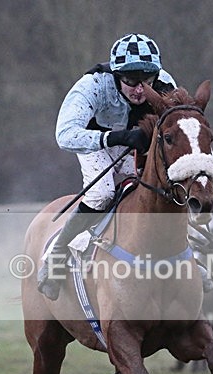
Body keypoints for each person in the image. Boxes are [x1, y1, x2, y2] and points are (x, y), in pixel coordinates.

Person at [37, 33, 176, 300]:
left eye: (146, 82)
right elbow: (65, 134)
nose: (139, 90)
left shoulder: (165, 84)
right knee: (102, 194)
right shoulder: (94, 85)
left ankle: (192, 257)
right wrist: (117, 137)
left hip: (138, 144)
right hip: (95, 143)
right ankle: (58, 253)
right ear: (116, 75)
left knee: (163, 191)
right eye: (131, 82)